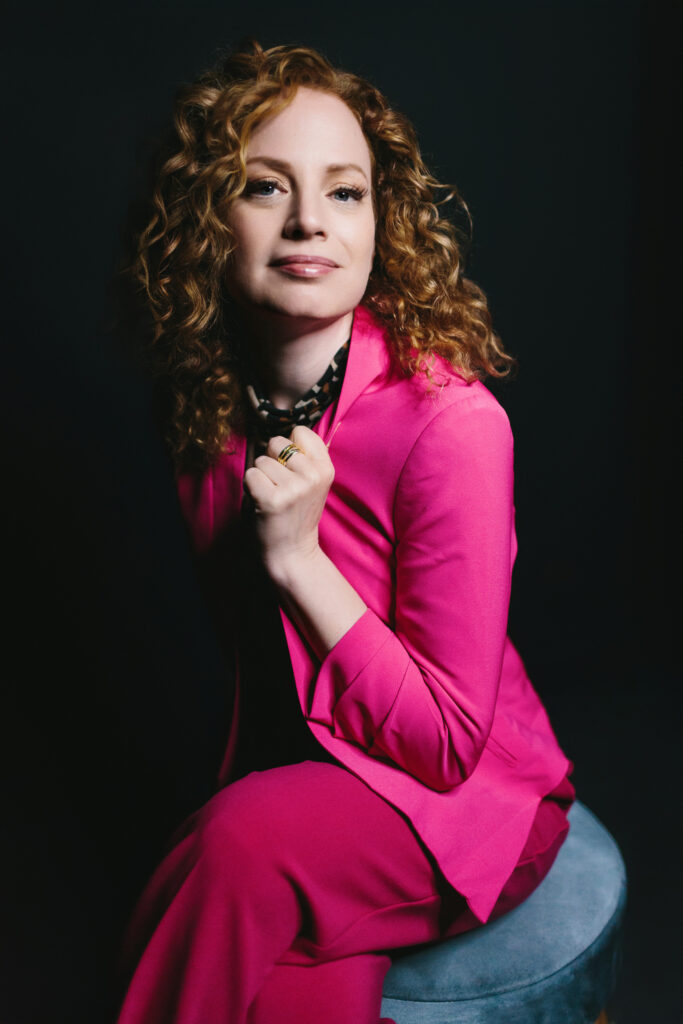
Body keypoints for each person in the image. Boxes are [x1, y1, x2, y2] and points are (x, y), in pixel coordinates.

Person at [113, 39, 576, 1024]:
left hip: (465, 808)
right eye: (264, 187)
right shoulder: (204, 405)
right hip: (306, 795)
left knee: (235, 841)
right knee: (262, 953)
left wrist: (297, 559)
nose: (309, 222)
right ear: (207, 220)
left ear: (380, 220)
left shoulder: (450, 424)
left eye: (345, 191)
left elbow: (449, 744)